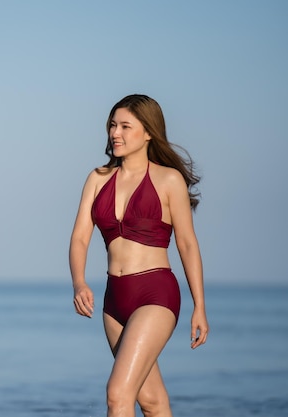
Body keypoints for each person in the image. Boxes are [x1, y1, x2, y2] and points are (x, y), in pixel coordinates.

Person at [69, 94, 209, 417]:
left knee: (118, 395)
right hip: (113, 302)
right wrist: (79, 283)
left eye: (125, 126)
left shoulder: (168, 180)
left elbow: (187, 244)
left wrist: (200, 306)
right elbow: (79, 239)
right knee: (152, 401)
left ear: (148, 132)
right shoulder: (97, 179)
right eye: (113, 125)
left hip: (155, 295)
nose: (115, 133)